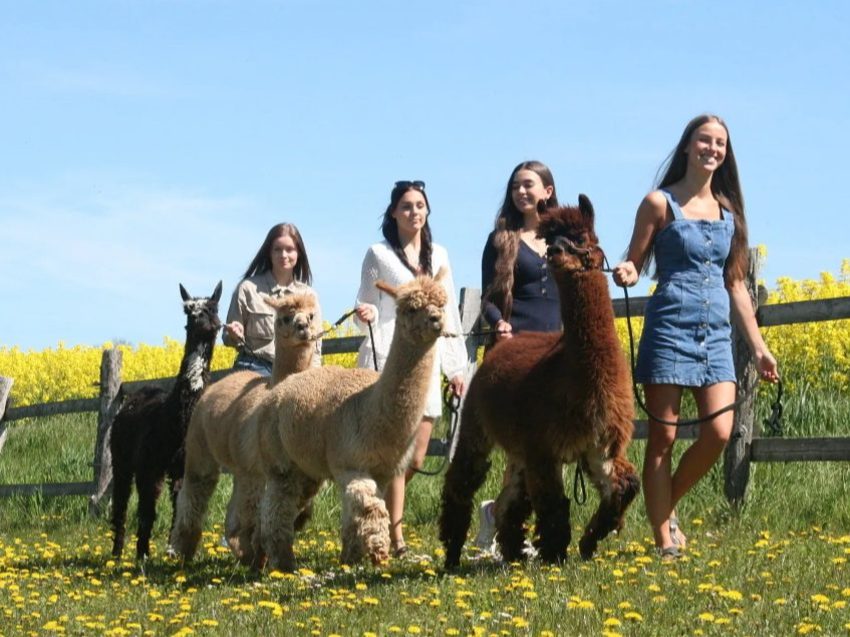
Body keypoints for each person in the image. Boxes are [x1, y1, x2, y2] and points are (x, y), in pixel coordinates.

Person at [612, 114, 779, 559]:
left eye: (720, 143)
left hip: (716, 336)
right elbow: (634, 260)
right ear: (687, 146)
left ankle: (666, 508)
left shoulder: (730, 212)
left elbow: (737, 285)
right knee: (662, 439)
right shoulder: (658, 204)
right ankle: (664, 541)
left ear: (726, 153)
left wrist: (760, 349)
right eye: (704, 140)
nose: (712, 148)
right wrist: (626, 271)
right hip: (669, 327)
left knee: (720, 432)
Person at [354, 180, 467, 557]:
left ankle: (381, 517)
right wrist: (364, 313)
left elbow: (447, 315)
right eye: (406, 206)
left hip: (426, 363)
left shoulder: (440, 258)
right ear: (393, 213)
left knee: (415, 457)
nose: (414, 212)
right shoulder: (378, 255)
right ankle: (396, 538)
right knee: (394, 455)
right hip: (389, 357)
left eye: (420, 205)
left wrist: (456, 369)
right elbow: (363, 304)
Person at [475, 160, 562, 550]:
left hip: (557, 352)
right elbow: (488, 297)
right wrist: (498, 325)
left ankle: (503, 513)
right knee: (524, 445)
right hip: (517, 349)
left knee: (554, 442)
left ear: (547, 190)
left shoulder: (564, 237)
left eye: (529, 185)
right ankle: (513, 520)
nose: (521, 192)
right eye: (515, 187)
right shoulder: (501, 240)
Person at [223, 222, 322, 375]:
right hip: (254, 368)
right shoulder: (248, 288)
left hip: (295, 372)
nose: (283, 255)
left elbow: (315, 349)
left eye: (290, 249)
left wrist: (312, 379)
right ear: (269, 252)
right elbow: (228, 338)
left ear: (299, 253)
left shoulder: (309, 296)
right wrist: (234, 333)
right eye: (277, 249)